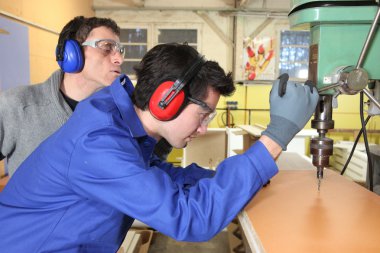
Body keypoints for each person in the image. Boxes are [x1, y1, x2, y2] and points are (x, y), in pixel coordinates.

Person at [0, 43, 319, 252]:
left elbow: (157, 175)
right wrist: (276, 136)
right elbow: (190, 220)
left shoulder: (116, 121)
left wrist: (241, 177)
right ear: (166, 100)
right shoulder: (98, 144)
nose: (204, 127)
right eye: (204, 114)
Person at [0, 16, 125, 177]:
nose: (119, 59)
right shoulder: (17, 105)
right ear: (71, 53)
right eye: (107, 47)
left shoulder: (118, 113)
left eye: (120, 51)